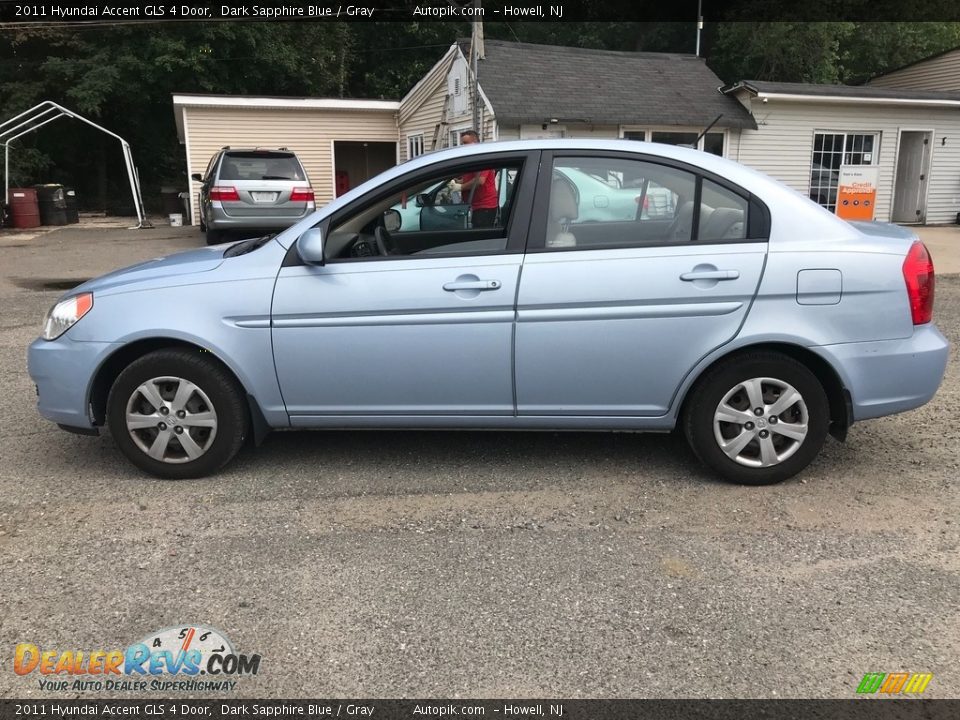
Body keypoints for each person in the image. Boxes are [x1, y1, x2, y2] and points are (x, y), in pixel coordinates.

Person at [456, 130, 499, 228]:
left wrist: (461, 187)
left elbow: (480, 181)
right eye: (462, 143)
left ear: (475, 143)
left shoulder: (482, 158)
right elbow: (470, 179)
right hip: (475, 206)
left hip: (484, 207)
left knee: (480, 240)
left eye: (466, 143)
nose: (464, 146)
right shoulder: (472, 158)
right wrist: (457, 183)